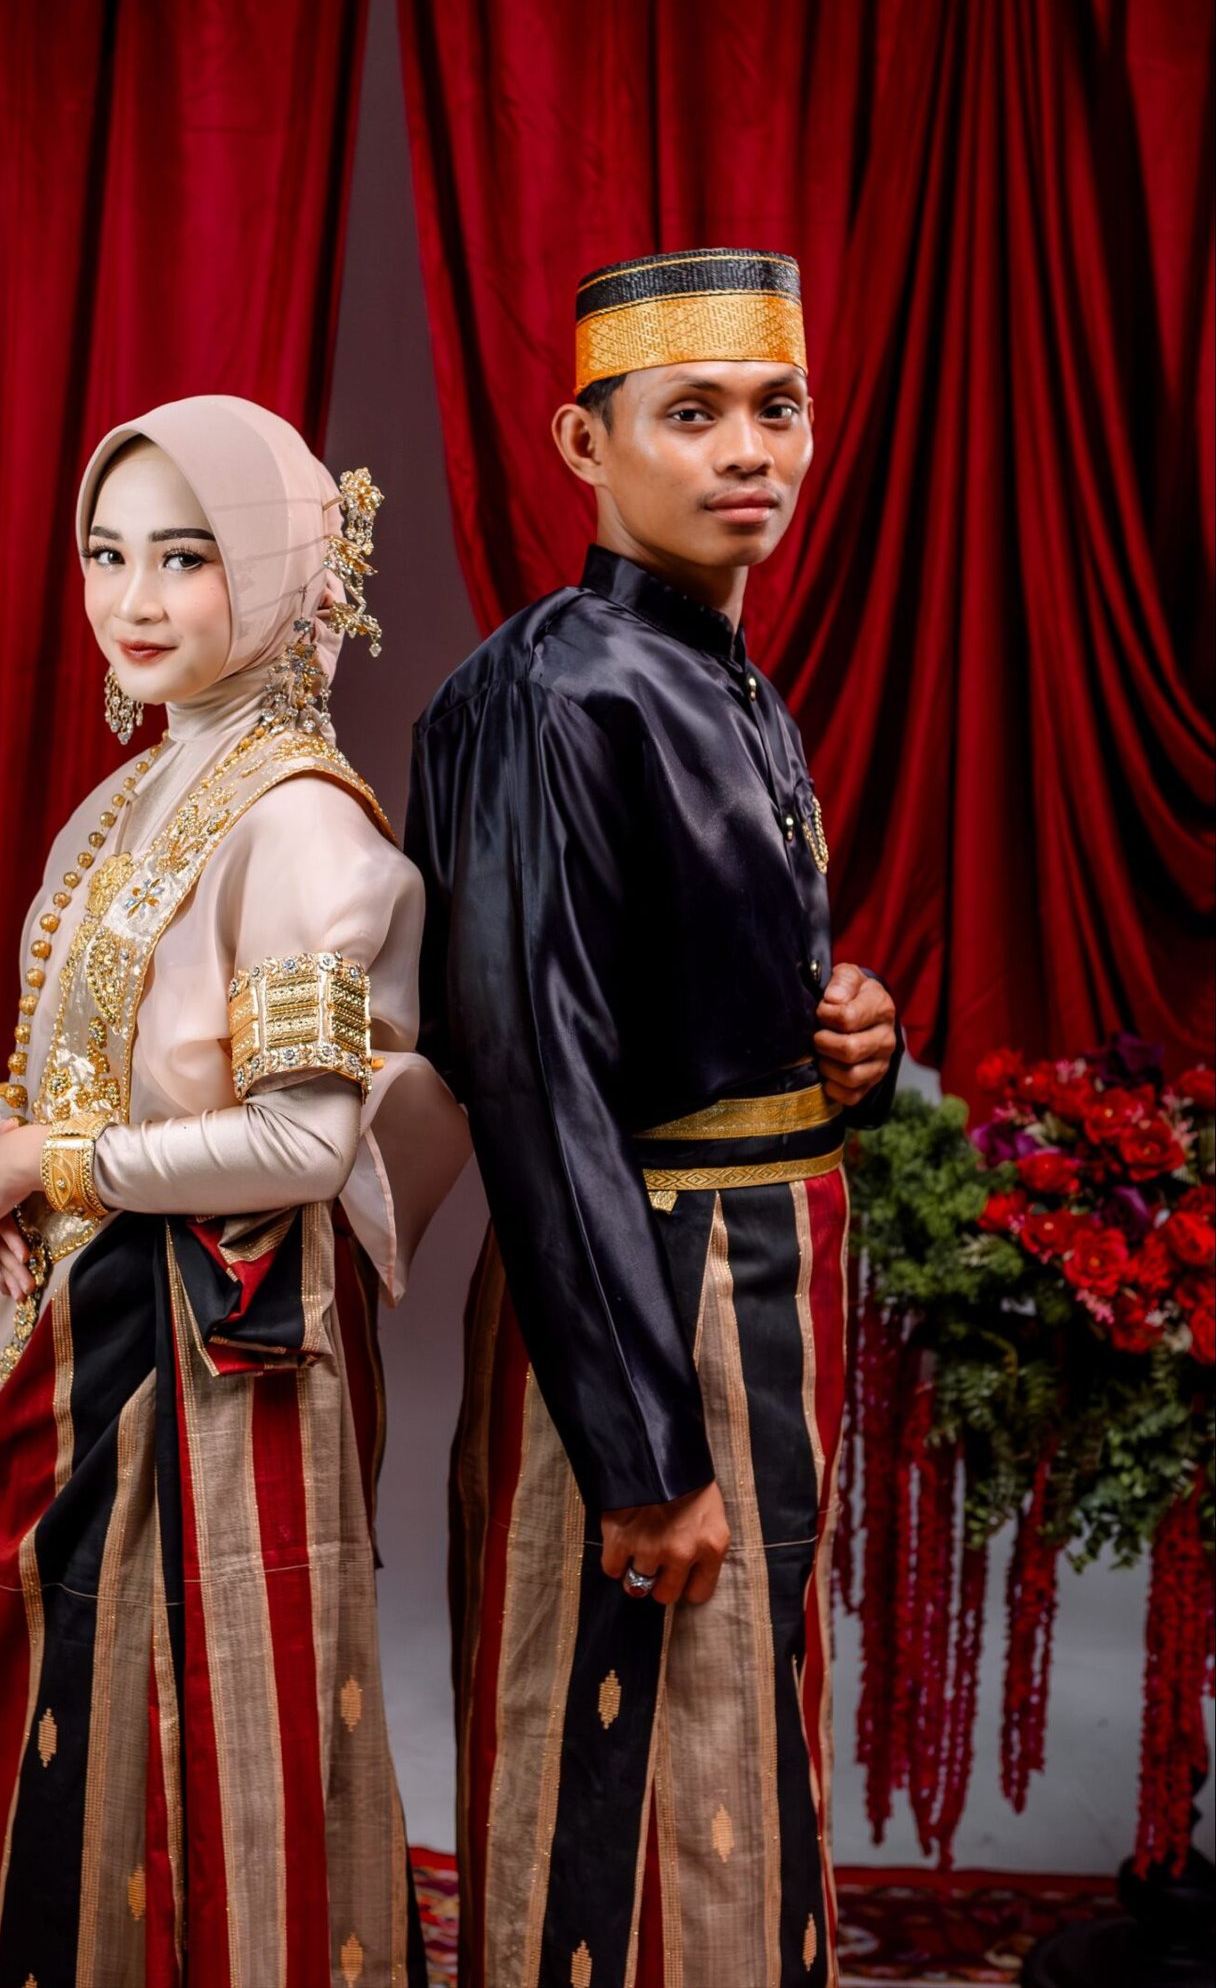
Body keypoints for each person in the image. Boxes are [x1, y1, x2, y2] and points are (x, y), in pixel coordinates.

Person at [0, 394, 468, 1988]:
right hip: (74, 1331)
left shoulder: (301, 825)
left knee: (203, 1752)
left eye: (185, 555)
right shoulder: (124, 799)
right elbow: (63, 1061)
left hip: (210, 1375)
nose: (133, 599)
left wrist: (44, 1161)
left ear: (287, 567)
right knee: (43, 1724)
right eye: (106, 554)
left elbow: (303, 1143)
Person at [407, 249, 903, 1987]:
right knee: (617, 1765)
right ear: (584, 442)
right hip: (647, 1299)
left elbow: (697, 997)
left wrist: (843, 1028)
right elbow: (532, 1072)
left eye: (779, 407)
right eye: (692, 413)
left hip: (753, 1282)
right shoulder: (552, 691)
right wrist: (644, 1453)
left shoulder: (721, 672)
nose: (748, 450)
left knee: (738, 1746)